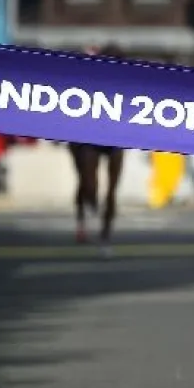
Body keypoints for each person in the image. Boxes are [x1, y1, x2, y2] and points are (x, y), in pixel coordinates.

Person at [69, 44, 125, 251]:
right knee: (88, 183)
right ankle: (84, 216)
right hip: (89, 137)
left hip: (114, 140)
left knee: (111, 191)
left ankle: (105, 235)